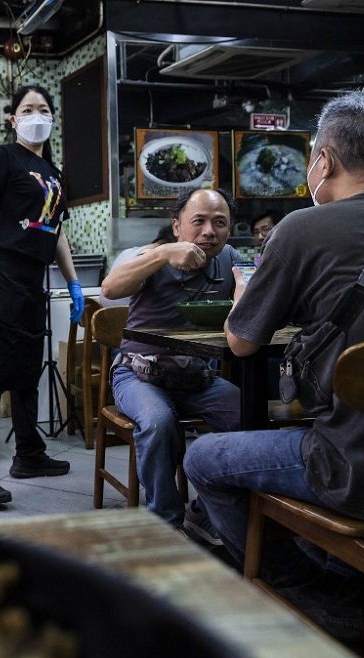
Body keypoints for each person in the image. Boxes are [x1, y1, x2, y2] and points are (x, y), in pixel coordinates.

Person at [182, 90, 364, 639]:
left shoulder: (303, 226)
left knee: (205, 458)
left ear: (323, 161)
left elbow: (240, 343)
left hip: (350, 469)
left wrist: (243, 294)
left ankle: (294, 585)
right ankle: (341, 571)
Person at [0, 84, 83, 507]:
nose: (36, 114)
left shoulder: (54, 172)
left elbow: (56, 230)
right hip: (1, 274)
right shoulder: (3, 158)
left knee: (28, 375)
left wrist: (73, 282)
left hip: (34, 281)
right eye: (27, 108)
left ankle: (29, 454)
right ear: (12, 118)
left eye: (43, 108)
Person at [100, 188, 243, 530]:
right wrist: (163, 254)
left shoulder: (229, 259)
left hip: (198, 380)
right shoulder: (149, 255)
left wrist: (245, 289)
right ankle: (164, 524)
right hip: (137, 375)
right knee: (158, 422)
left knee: (248, 414)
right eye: (199, 221)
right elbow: (109, 289)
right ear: (177, 226)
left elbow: (258, 287)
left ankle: (211, 513)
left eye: (220, 223)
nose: (209, 231)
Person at [99, 223, 177, 308]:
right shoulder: (151, 260)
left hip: (105, 316)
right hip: (124, 317)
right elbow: (108, 289)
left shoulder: (127, 252)